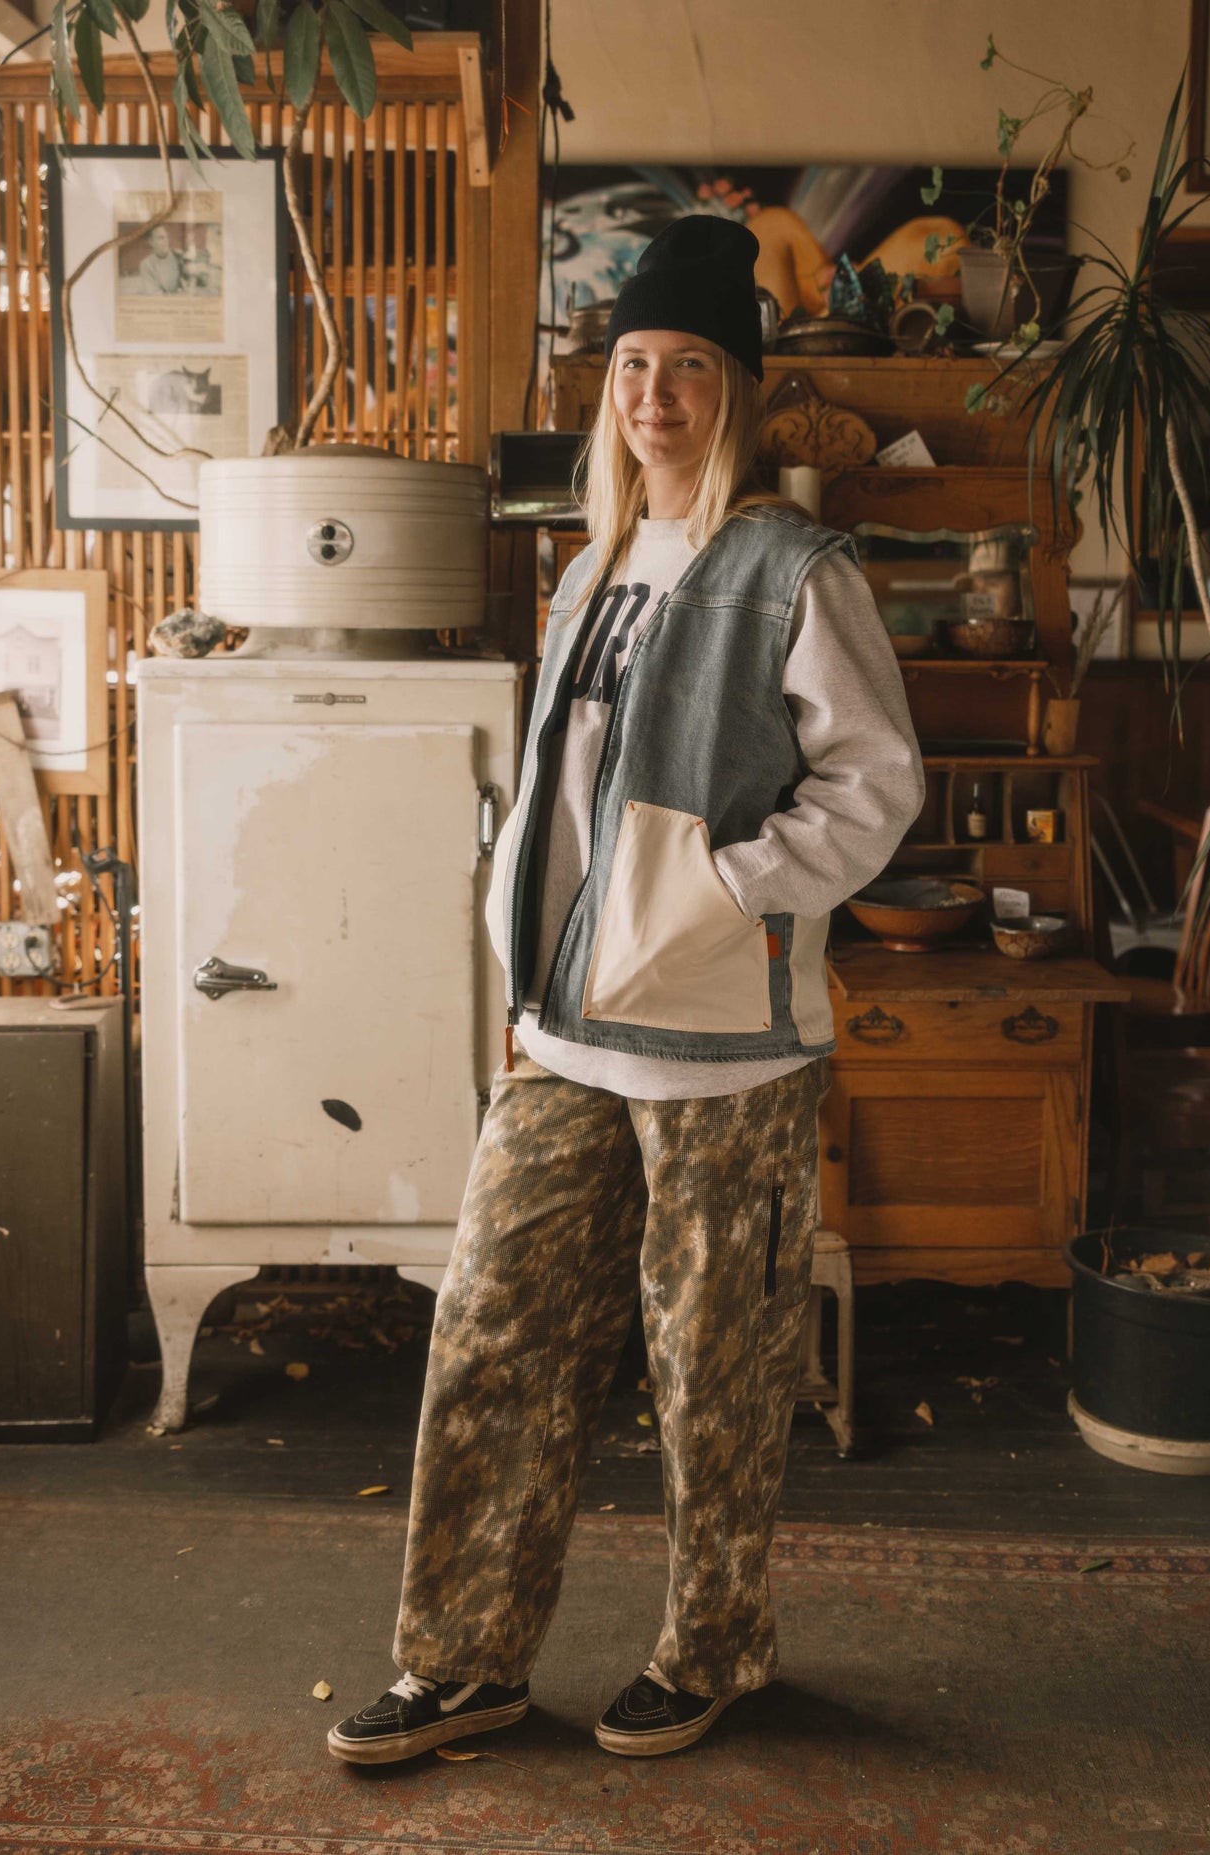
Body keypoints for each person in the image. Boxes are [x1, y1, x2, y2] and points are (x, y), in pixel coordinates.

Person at [327, 214, 925, 1767]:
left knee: (711, 1372)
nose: (654, 393)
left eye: (689, 367)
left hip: (726, 1047)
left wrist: (728, 896)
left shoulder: (796, 566)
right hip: (566, 1037)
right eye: (634, 365)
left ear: (741, 388)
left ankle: (714, 1647)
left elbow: (875, 786)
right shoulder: (594, 563)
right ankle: (464, 1662)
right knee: (490, 1333)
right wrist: (526, 972)